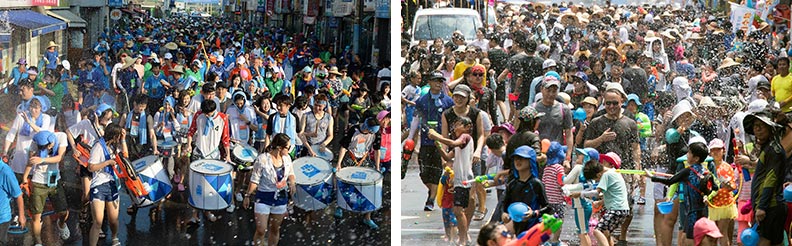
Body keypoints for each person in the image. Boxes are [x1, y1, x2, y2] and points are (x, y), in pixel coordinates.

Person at [646, 141, 712, 246]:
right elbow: (714, 187)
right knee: (700, 236)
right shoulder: (707, 172)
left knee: (688, 239)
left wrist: (651, 177)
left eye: (689, 153)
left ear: (696, 158)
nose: (687, 155)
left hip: (691, 212)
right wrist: (707, 197)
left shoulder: (688, 171)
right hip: (703, 211)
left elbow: (670, 181)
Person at [738, 110, 787, 245]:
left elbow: (770, 179)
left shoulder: (774, 150)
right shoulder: (768, 149)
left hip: (770, 206)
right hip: (769, 206)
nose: (757, 129)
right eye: (755, 126)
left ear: (771, 128)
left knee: (762, 242)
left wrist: (762, 206)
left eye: (762, 125)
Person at [428, 116, 474, 245]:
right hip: (459, 179)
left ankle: (463, 240)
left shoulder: (465, 137)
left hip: (464, 179)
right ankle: (462, 238)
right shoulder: (460, 143)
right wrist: (438, 145)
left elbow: (452, 143)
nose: (455, 127)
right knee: (458, 211)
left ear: (467, 127)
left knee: (459, 211)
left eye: (458, 124)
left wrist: (437, 136)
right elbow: (447, 157)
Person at [243, 133, 295, 246]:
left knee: (275, 229)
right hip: (263, 197)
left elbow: (291, 173)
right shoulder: (262, 159)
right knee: (261, 229)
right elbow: (254, 180)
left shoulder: (287, 158)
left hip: (280, 198)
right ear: (279, 148)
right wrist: (247, 196)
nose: (290, 150)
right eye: (288, 147)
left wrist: (292, 183)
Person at [414, 72, 454, 211]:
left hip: (441, 143)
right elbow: (416, 120)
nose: (438, 83)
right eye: (435, 81)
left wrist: (449, 142)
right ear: (429, 82)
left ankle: (431, 200)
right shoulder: (421, 101)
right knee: (424, 173)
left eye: (440, 81)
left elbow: (452, 123)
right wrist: (410, 140)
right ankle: (432, 190)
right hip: (425, 142)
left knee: (437, 172)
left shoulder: (448, 101)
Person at [22, 131, 70, 245]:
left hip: (54, 180)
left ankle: (61, 224)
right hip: (38, 182)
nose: (40, 148)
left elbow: (59, 158)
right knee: (36, 215)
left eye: (43, 147)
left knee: (63, 211)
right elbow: (31, 162)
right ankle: (38, 241)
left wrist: (42, 159)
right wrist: (24, 179)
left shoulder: (61, 137)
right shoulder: (36, 142)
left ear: (51, 144)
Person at [572, 153, 630, 246]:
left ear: (599, 174)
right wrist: (601, 202)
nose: (597, 181)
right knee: (606, 232)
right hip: (622, 210)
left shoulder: (606, 175)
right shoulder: (614, 172)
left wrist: (580, 194)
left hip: (616, 210)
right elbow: (616, 194)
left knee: (597, 231)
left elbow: (596, 193)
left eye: (596, 179)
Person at [335, 116, 382, 229]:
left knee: (368, 187)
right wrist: (338, 163)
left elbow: (376, 150)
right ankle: (340, 206)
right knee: (345, 184)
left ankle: (367, 217)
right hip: (350, 158)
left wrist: (377, 166)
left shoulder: (376, 133)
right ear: (366, 126)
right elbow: (344, 147)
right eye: (369, 131)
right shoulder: (354, 130)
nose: (370, 133)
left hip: (364, 159)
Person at [87, 123, 127, 246]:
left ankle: (115, 237)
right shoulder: (98, 146)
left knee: (113, 219)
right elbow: (91, 167)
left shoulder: (114, 147)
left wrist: (124, 140)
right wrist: (107, 162)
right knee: (98, 221)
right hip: (99, 185)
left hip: (112, 184)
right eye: (119, 136)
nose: (120, 138)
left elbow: (125, 156)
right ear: (114, 136)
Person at [500, 145, 550, 235]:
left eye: (522, 158)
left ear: (530, 161)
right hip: (513, 227)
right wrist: (504, 213)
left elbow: (548, 208)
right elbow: (504, 203)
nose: (518, 161)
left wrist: (533, 213)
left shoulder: (536, 184)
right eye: (516, 159)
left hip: (531, 228)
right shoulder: (512, 184)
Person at [705, 139, 736, 246]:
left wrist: (727, 186)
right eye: (713, 150)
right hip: (711, 204)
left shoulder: (727, 167)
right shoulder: (707, 167)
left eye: (718, 150)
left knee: (722, 233)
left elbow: (733, 186)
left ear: (723, 150)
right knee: (711, 235)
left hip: (725, 204)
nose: (715, 153)